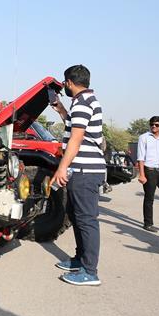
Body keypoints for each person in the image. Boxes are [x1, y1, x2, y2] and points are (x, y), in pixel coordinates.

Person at [48, 64, 105, 286]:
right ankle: (80, 260)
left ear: (69, 82)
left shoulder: (83, 103)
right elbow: (76, 128)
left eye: (65, 83)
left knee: (86, 219)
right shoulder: (85, 101)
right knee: (76, 215)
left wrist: (62, 167)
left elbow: (76, 139)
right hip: (82, 169)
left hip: (85, 170)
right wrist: (62, 110)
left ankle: (90, 271)